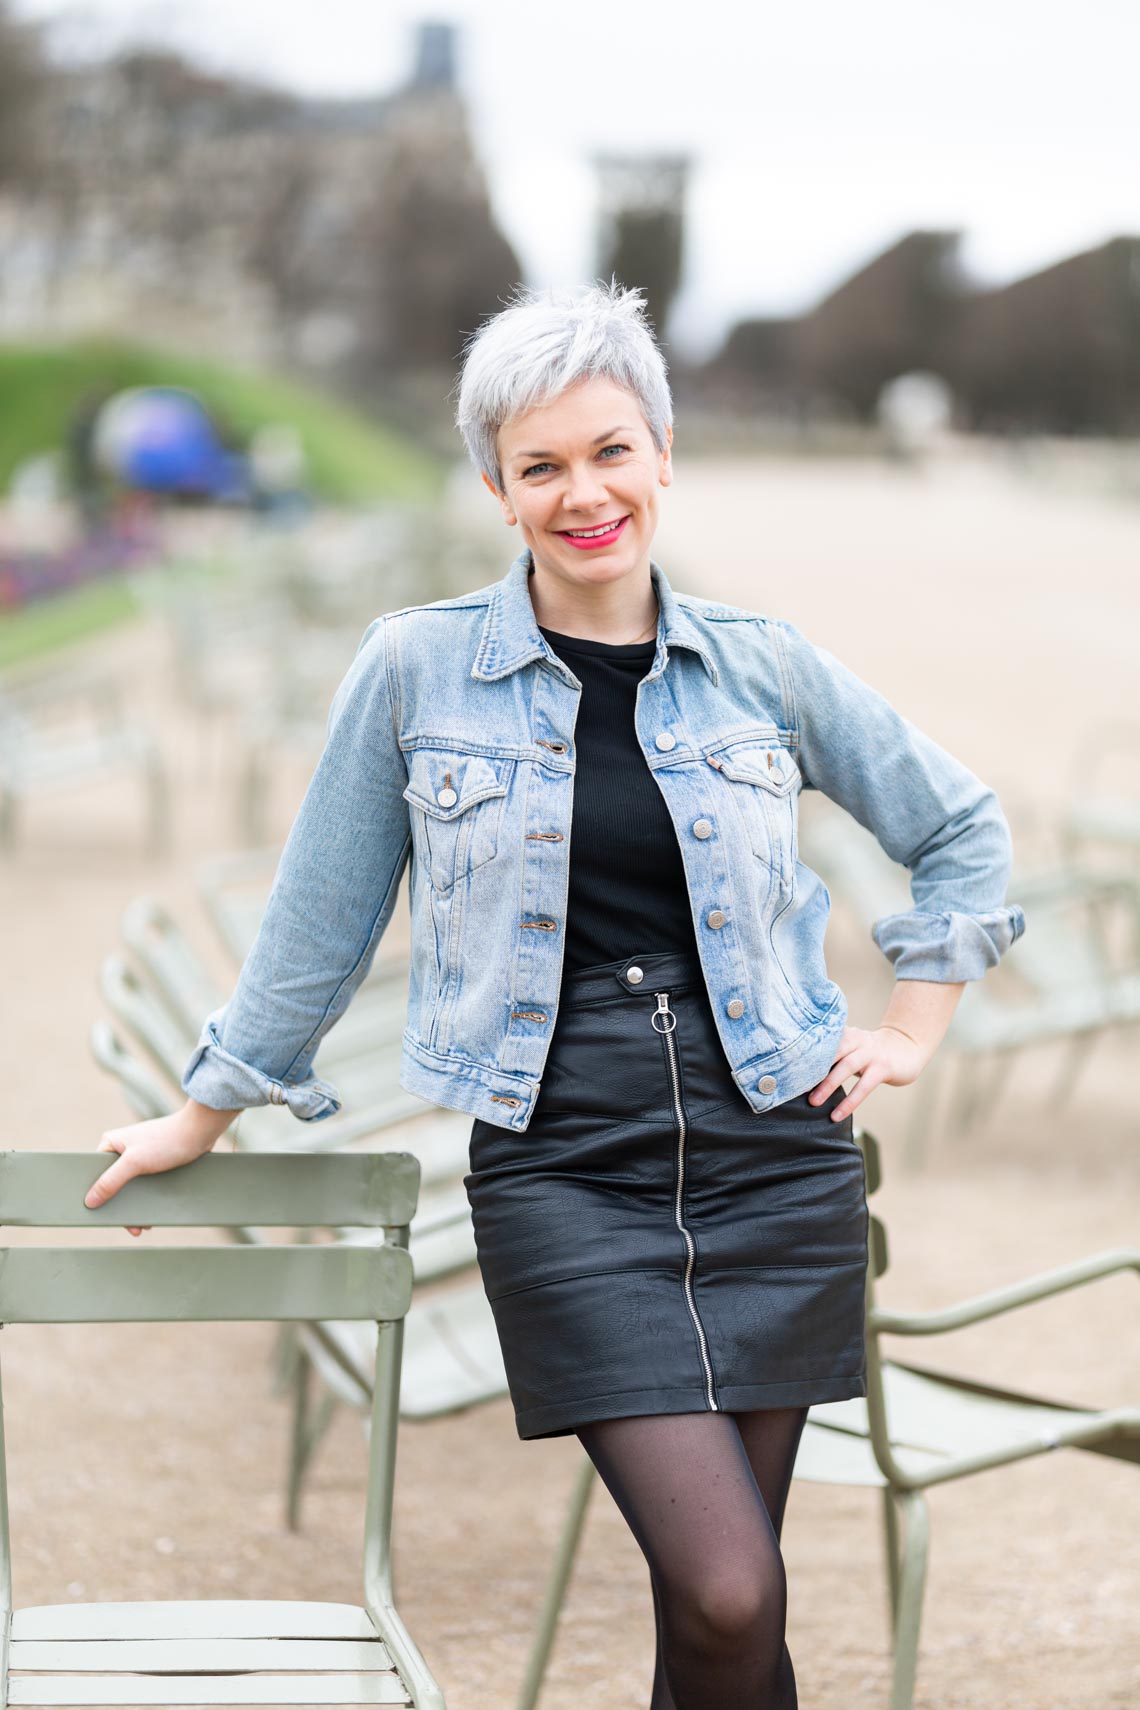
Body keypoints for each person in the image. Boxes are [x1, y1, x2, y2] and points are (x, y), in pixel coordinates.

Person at [86, 281, 1026, 1709]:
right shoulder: (416, 670)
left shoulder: (760, 664)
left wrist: (910, 1025)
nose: (584, 493)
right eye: (542, 466)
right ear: (496, 488)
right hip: (565, 1166)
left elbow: (961, 824)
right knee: (729, 1585)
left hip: (776, 1149)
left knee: (722, 1614)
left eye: (609, 451)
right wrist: (200, 1115)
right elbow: (319, 917)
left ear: (662, 453)